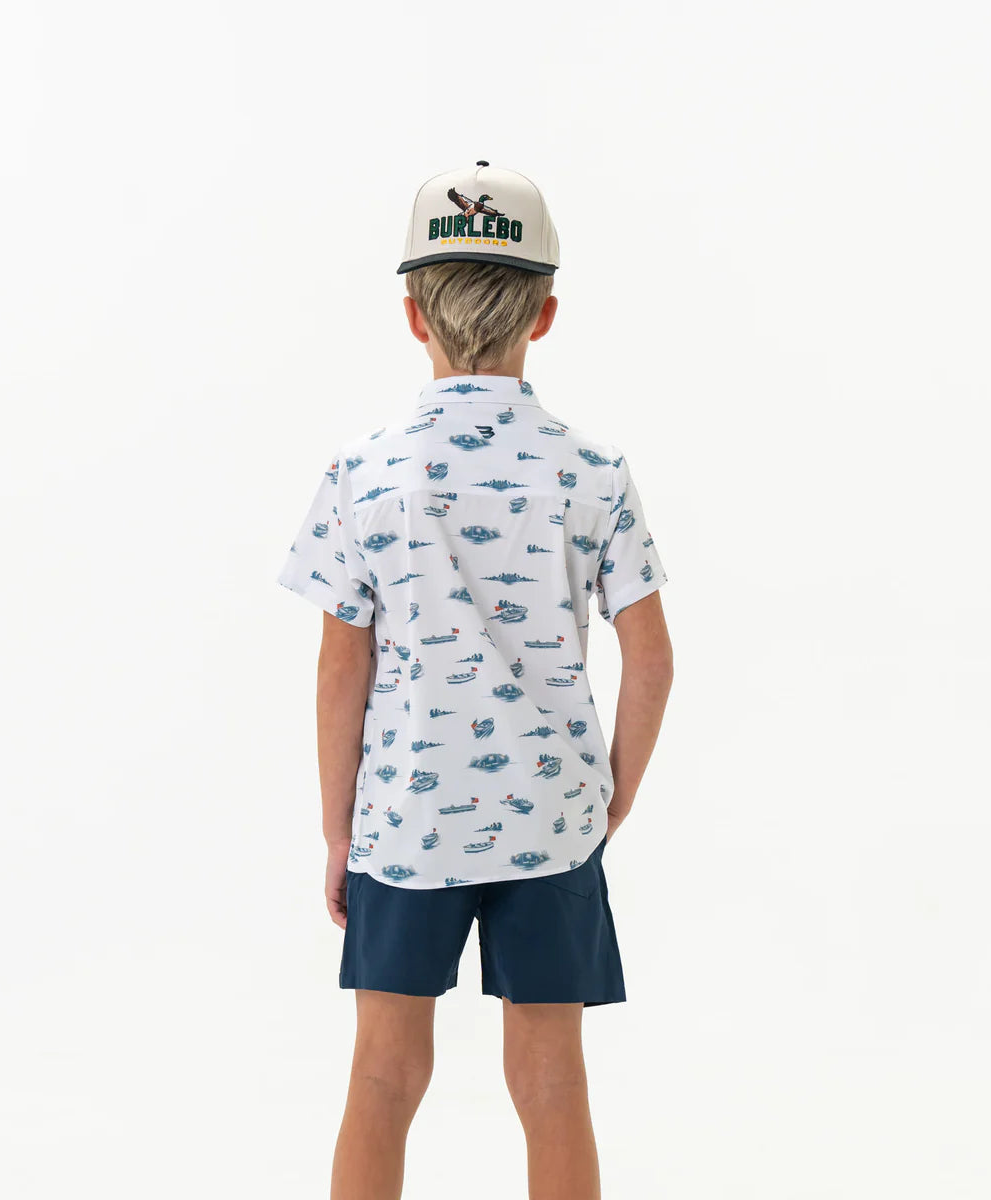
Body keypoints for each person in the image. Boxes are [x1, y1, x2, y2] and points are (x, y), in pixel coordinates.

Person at [277, 160, 674, 1200]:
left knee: (381, 1076)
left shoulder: (364, 469)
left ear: (413, 315)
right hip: (552, 818)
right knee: (553, 1083)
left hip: (406, 822)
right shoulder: (593, 470)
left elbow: (341, 665)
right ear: (545, 313)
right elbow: (651, 656)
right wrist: (614, 795)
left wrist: (337, 830)